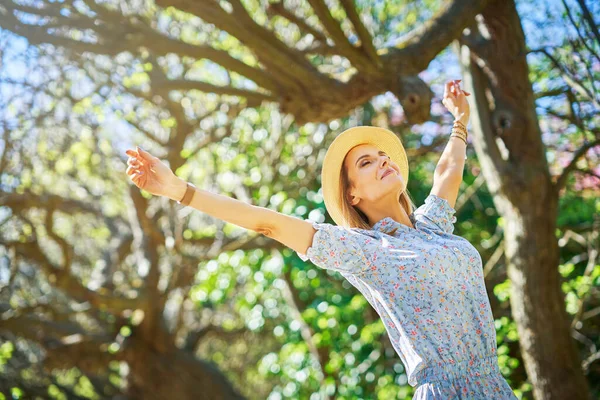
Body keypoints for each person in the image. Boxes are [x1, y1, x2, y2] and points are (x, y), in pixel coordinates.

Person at [125, 80, 517, 399]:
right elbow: (268, 224)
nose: (383, 160)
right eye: (366, 162)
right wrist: (181, 190)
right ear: (352, 195)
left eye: (383, 155)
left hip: (495, 387)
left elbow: (448, 171)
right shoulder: (365, 250)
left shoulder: (432, 228)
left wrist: (461, 120)